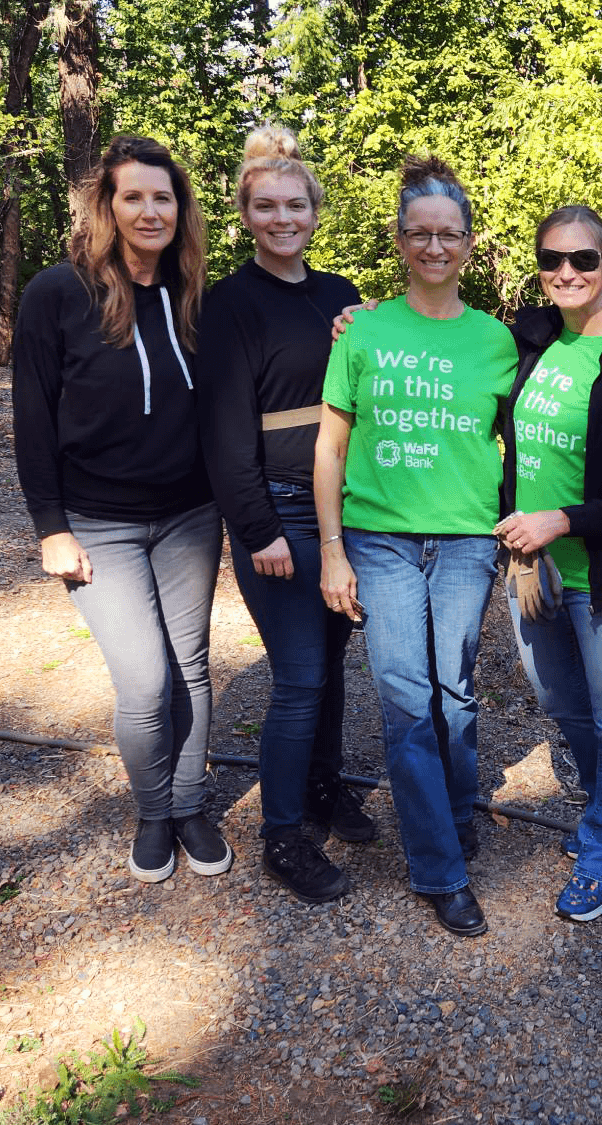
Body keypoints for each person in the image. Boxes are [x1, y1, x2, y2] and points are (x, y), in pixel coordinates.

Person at [11, 135, 229, 885]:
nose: (149, 210)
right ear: (107, 204)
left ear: (180, 209)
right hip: (97, 520)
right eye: (132, 196)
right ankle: (154, 812)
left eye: (162, 197)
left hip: (190, 515)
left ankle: (192, 802)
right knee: (143, 681)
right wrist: (50, 526)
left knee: (191, 667)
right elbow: (32, 417)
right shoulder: (56, 293)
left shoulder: (197, 291)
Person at [314, 155, 516, 938]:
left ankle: (456, 808)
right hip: (381, 540)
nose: (435, 246)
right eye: (419, 233)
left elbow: (530, 441)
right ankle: (440, 867)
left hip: (466, 541)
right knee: (406, 698)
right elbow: (331, 447)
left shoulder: (499, 340)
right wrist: (333, 549)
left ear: (468, 243)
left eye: (449, 233)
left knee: (455, 694)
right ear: (401, 242)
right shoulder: (362, 329)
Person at [197, 125, 376, 908]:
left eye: (294, 205)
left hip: (342, 506)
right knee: (299, 674)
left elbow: (362, 391)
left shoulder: (341, 294)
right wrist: (258, 526)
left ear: (314, 211)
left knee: (332, 665)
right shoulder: (228, 304)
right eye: (265, 207)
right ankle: (282, 833)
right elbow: (224, 431)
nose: (282, 218)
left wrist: (364, 332)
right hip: (280, 513)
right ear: (245, 216)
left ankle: (325, 786)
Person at [493, 206, 602, 923]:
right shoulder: (531, 339)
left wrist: (562, 521)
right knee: (562, 702)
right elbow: (450, 345)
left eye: (583, 259)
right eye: (553, 258)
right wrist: (366, 317)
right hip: (531, 568)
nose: (567, 271)